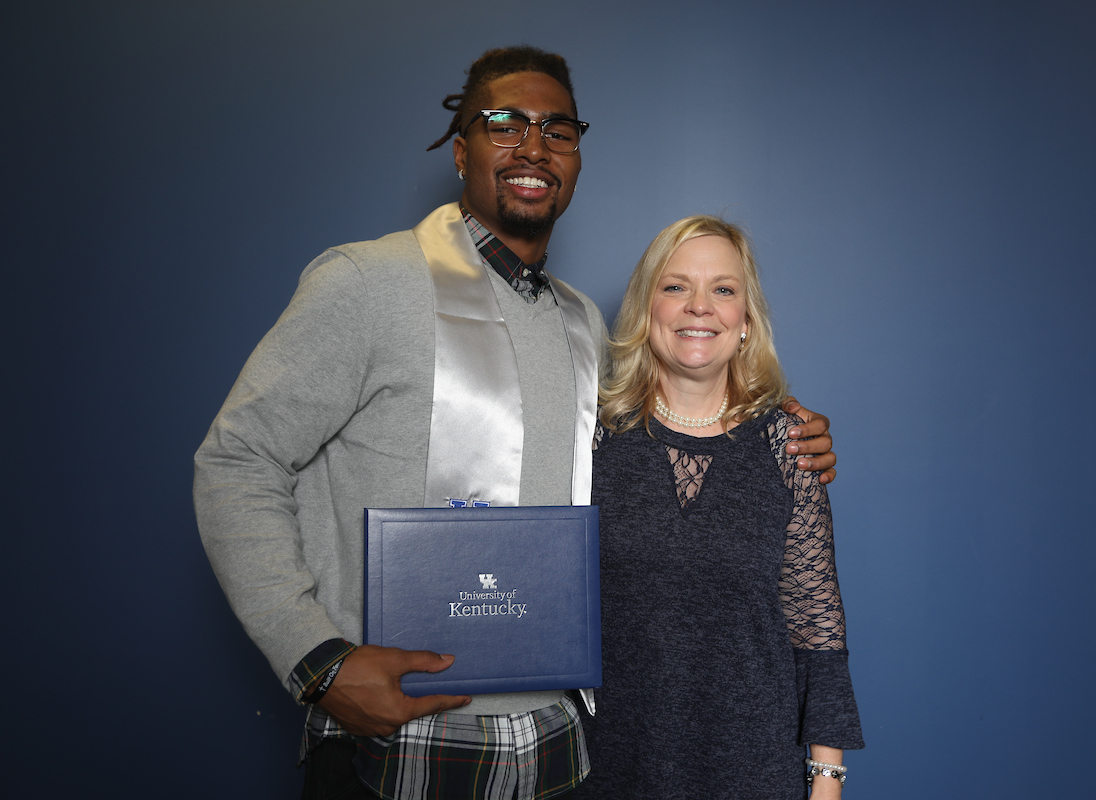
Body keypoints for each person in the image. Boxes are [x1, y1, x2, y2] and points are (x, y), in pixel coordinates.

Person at [194, 47, 837, 800]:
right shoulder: (368, 283)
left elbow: (671, 402)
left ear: (576, 160)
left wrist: (779, 423)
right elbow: (238, 460)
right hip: (399, 738)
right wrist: (318, 659)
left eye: (557, 131)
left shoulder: (580, 325)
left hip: (555, 747)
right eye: (505, 124)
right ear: (460, 149)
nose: (533, 147)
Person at [577, 216, 863, 800]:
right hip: (608, 767)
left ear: (746, 321)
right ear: (646, 309)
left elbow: (817, 627)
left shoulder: (789, 446)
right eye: (675, 286)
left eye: (723, 289)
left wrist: (827, 781)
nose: (700, 306)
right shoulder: (590, 440)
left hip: (754, 771)